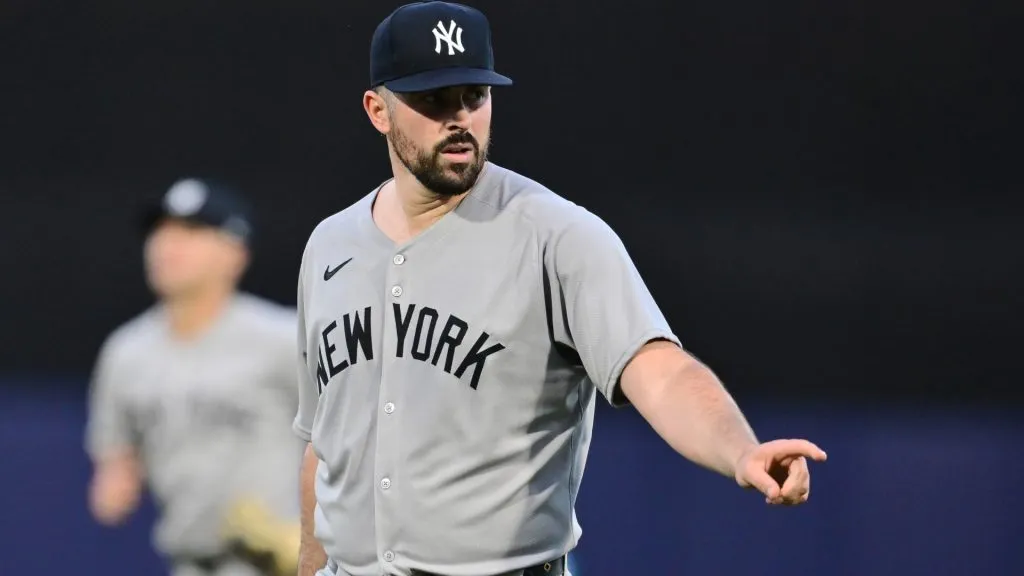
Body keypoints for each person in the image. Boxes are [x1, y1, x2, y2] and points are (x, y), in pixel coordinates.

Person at [293, 3, 828, 576]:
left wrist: (739, 451)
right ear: (379, 110)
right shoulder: (330, 246)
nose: (459, 118)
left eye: (474, 95)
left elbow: (661, 371)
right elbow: (327, 447)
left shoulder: (557, 235)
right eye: (433, 99)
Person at [85, 178, 305, 576]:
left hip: (277, 563)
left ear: (235, 253)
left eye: (190, 233)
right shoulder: (126, 352)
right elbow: (113, 465)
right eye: (160, 232)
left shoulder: (284, 339)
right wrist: (115, 484)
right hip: (188, 562)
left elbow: (350, 439)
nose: (167, 247)